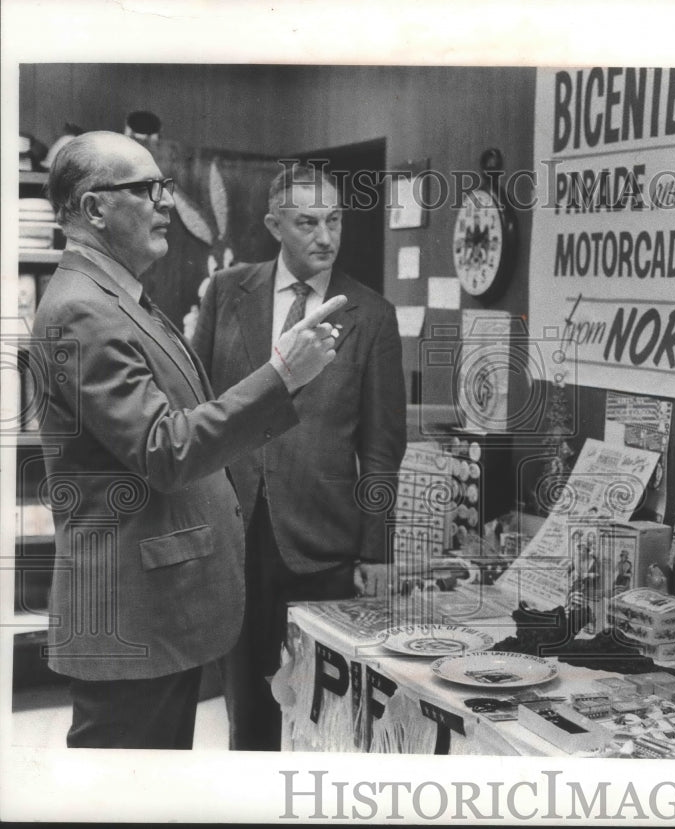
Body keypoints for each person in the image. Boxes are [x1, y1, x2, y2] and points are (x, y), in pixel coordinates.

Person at [32, 131, 346, 749]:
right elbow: (165, 450)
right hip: (130, 621)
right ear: (95, 209)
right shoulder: (81, 310)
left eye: (166, 188)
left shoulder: (119, 299)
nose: (166, 203)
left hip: (154, 612)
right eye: (148, 190)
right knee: (121, 794)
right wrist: (281, 374)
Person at [192, 162, 406, 750]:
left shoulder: (372, 315)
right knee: (249, 710)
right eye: (307, 222)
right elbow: (199, 406)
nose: (326, 236)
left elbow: (383, 447)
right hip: (236, 532)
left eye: (334, 220)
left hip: (324, 542)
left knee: (326, 712)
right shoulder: (227, 293)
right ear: (273, 225)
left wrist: (378, 550)